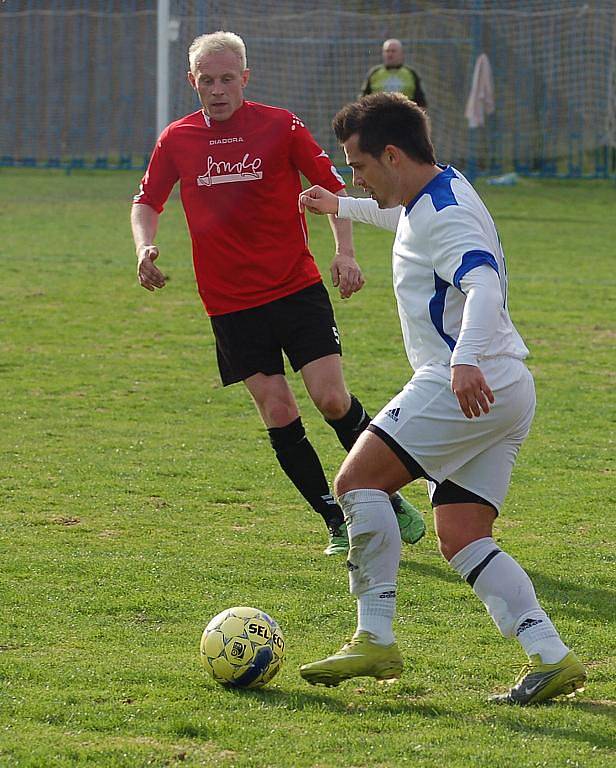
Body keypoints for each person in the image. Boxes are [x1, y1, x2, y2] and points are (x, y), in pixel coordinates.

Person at [297, 93, 586, 705]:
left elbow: (480, 285)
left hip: (466, 380)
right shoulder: (434, 194)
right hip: (506, 387)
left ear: (393, 155)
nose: (356, 177)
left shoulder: (446, 214)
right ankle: (550, 655)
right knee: (462, 535)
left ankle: (374, 635)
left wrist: (462, 360)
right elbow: (404, 222)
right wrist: (339, 204)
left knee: (357, 485)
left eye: (358, 166)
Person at [131, 32, 425, 557]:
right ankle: (336, 520)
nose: (217, 90)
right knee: (277, 410)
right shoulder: (176, 139)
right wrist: (145, 247)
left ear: (245, 78)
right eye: (207, 80)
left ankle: (383, 490)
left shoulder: (279, 125)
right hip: (229, 303)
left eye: (227, 79)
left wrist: (345, 252)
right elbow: (146, 201)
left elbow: (329, 185)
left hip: (295, 287)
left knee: (331, 398)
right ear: (191, 82)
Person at [359, 39, 427, 107]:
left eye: (393, 51)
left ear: (401, 54)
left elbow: (421, 102)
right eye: (387, 51)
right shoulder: (374, 73)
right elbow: (363, 100)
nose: (390, 54)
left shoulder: (411, 73)